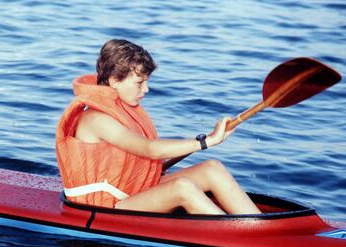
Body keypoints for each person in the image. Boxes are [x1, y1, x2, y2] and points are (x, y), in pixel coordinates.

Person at [56, 39, 261, 215]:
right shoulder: (95, 119)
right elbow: (149, 149)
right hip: (105, 206)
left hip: (131, 192)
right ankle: (243, 239)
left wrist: (210, 138)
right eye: (139, 83)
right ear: (114, 80)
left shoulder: (123, 108)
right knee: (182, 188)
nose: (146, 89)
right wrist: (206, 141)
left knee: (212, 169)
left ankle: (260, 228)